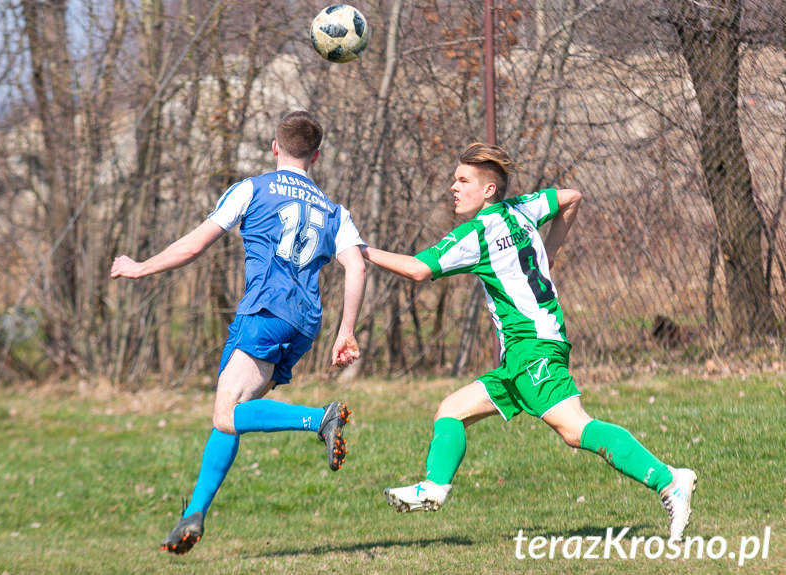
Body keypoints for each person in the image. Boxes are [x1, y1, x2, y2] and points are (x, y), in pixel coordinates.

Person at [361, 142, 697, 542]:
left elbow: (418, 269)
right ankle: (434, 487)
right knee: (451, 409)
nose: (453, 187)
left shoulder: (476, 233)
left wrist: (359, 250)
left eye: (462, 180)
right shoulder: (523, 208)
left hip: (531, 346)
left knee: (575, 429)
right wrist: (548, 253)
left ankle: (669, 480)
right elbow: (571, 198)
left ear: (488, 190)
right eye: (455, 179)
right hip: (526, 350)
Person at [110, 111, 366, 555]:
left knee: (227, 413)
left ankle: (317, 419)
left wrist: (140, 268)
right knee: (232, 413)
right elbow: (358, 265)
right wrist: (346, 331)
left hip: (265, 310)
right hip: (304, 323)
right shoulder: (334, 209)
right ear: (317, 156)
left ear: (274, 147)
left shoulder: (253, 188)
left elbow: (194, 245)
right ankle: (195, 513)